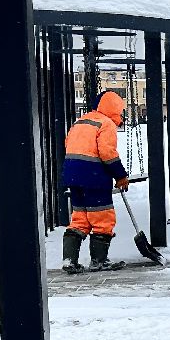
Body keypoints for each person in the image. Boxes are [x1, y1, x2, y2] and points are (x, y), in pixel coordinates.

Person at [62, 91, 130, 273]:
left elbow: (68, 144)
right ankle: (99, 261)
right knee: (102, 219)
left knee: (79, 219)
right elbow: (107, 153)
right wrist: (120, 175)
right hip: (94, 177)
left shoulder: (80, 121)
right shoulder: (106, 123)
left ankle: (69, 260)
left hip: (73, 177)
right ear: (115, 109)